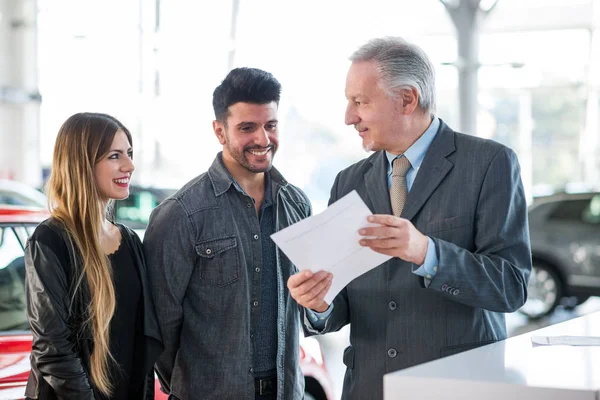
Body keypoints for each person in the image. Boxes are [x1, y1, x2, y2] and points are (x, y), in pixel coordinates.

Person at [288, 36, 532, 400]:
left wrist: (427, 252)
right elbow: (342, 305)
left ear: (407, 99)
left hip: (459, 389)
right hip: (369, 388)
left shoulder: (489, 164)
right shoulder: (349, 182)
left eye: (360, 102)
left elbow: (511, 287)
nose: (348, 117)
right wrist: (319, 303)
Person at [144, 67, 312, 400]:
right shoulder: (181, 214)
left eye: (271, 125)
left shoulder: (297, 205)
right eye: (247, 128)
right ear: (220, 131)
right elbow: (158, 329)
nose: (263, 139)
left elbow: (310, 308)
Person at [24, 113, 163, 400]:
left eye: (129, 153)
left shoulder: (130, 241)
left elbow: (142, 338)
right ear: (82, 164)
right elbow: (53, 349)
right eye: (115, 156)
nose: (129, 165)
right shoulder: (50, 241)